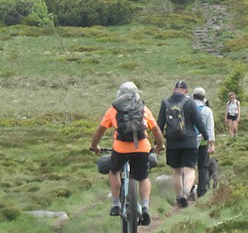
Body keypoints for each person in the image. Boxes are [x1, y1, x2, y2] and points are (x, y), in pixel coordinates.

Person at [88, 81, 161, 225]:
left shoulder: (113, 110)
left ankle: (116, 204)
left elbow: (100, 130)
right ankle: (145, 207)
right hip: (142, 148)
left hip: (121, 149)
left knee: (114, 172)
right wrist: (160, 145)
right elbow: (156, 130)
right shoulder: (144, 109)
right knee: (143, 177)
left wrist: (94, 146)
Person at [157, 79, 209, 209]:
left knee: (176, 171)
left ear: (174, 90)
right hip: (189, 141)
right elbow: (198, 122)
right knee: (189, 169)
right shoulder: (190, 102)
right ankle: (186, 193)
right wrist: (207, 137)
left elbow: (159, 124)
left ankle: (179, 196)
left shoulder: (165, 103)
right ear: (186, 91)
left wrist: (157, 143)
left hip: (172, 142)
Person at [191, 87, 217, 200]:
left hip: (189, 142)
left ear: (193, 96)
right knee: (203, 166)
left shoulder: (188, 108)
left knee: (189, 167)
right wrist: (212, 144)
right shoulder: (207, 110)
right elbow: (210, 129)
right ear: (204, 98)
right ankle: (202, 191)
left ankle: (189, 190)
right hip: (202, 142)